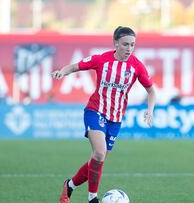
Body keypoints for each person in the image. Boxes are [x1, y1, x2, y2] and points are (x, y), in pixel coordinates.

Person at [52, 26, 156, 203]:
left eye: (132, 45)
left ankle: (69, 185)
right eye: (125, 44)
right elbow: (76, 66)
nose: (129, 49)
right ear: (116, 43)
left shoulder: (137, 66)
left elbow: (151, 91)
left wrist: (150, 110)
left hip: (116, 119)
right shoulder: (101, 60)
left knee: (97, 161)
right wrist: (63, 71)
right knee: (99, 153)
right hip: (95, 111)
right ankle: (92, 198)